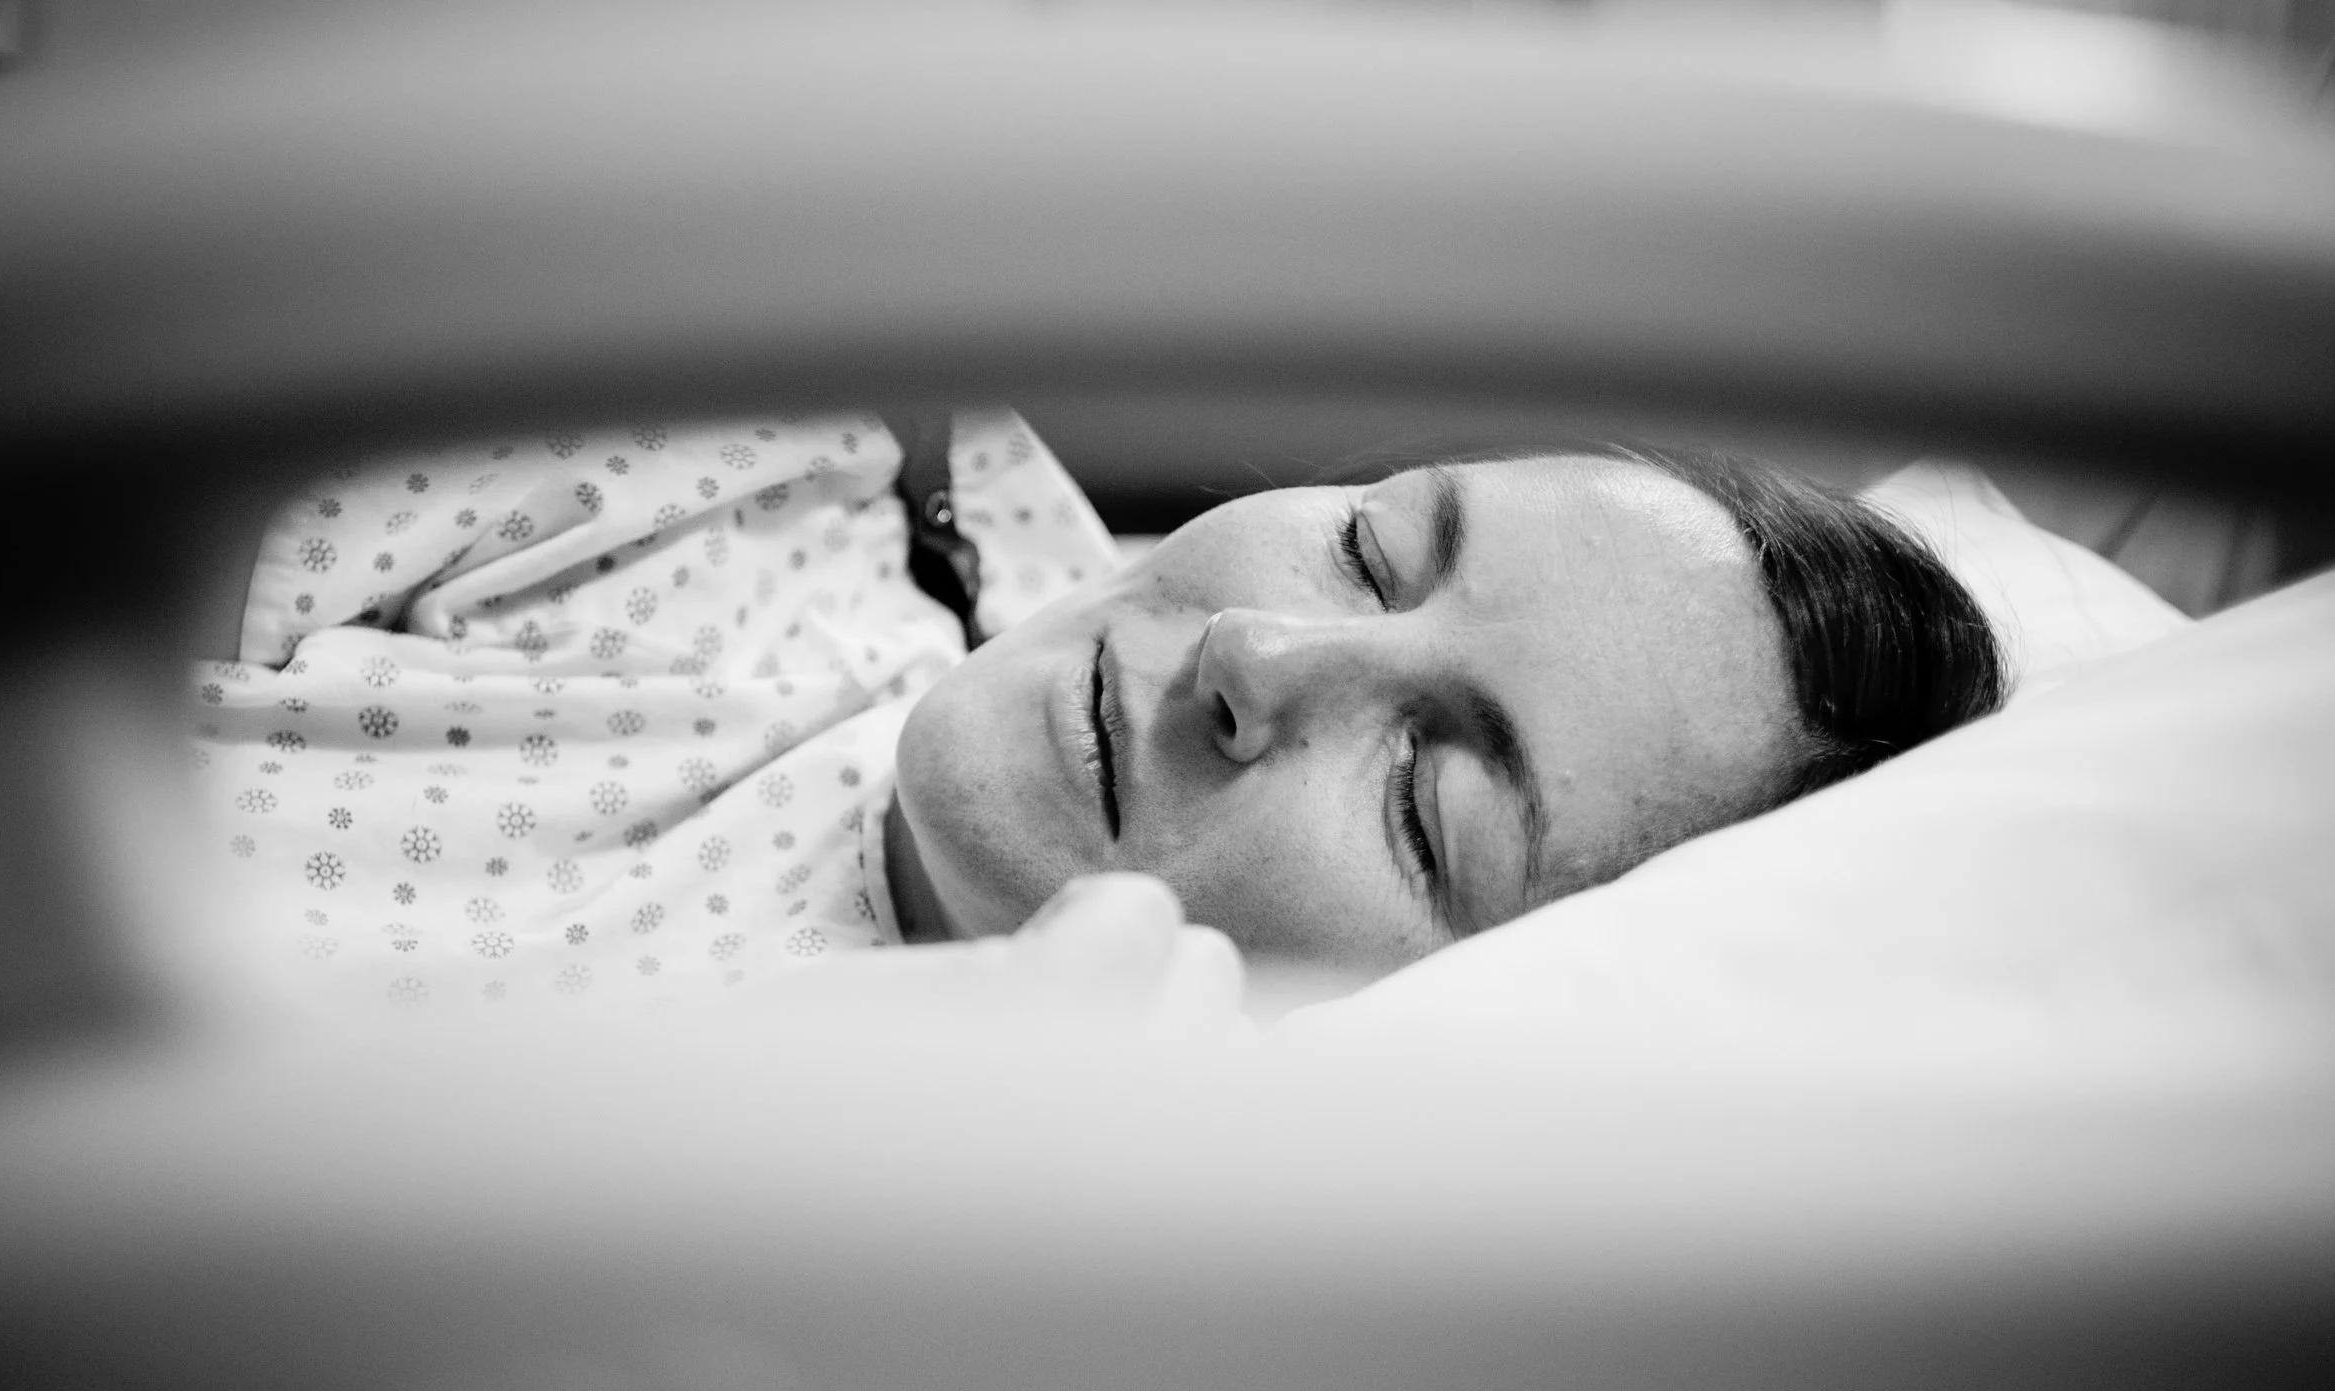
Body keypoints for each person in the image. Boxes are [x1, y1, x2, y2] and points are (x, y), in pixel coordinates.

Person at [190, 410, 2003, 1007]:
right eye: (1369, 551)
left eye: (1424, 805)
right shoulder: (763, 453)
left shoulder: (1044, 1344)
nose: (1259, 660)